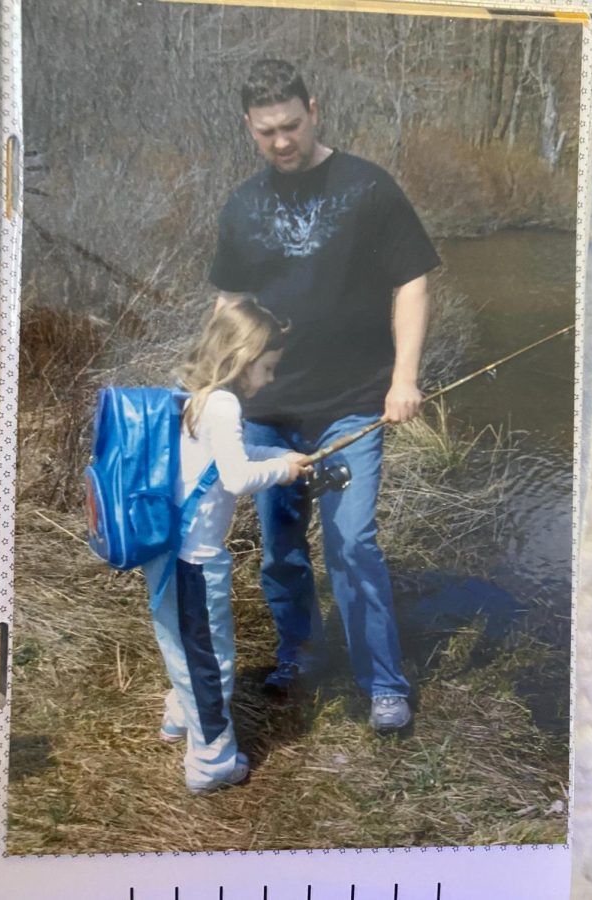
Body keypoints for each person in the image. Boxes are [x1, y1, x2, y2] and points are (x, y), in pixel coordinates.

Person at [210, 59, 441, 733]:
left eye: (289, 125)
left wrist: (403, 378)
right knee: (281, 548)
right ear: (248, 129)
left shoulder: (368, 187)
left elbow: (413, 282)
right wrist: (221, 378)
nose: (280, 141)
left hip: (351, 401)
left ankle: (383, 683)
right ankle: (299, 655)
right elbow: (230, 301)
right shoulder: (242, 204)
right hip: (266, 409)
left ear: (313, 110)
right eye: (265, 132)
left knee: (352, 543)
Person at [143, 297, 311, 793]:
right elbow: (237, 477)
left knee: (181, 643)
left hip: (167, 550)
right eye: (268, 367)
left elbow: (222, 458)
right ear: (242, 356)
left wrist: (282, 454)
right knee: (211, 660)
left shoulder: (190, 393)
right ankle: (211, 761)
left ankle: (179, 714)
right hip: (195, 559)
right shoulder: (226, 402)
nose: (271, 379)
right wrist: (282, 470)